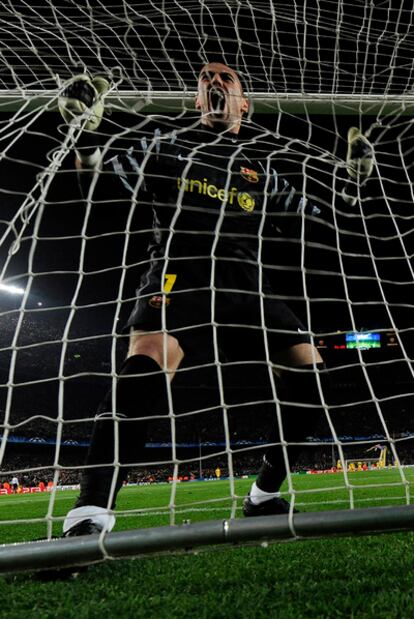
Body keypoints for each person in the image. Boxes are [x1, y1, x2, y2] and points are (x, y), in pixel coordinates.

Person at [58, 62, 374, 537]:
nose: (214, 82)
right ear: (197, 101)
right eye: (206, 78)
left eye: (226, 78)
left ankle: (263, 495)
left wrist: (354, 184)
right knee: (142, 370)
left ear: (245, 103)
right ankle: (89, 513)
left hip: (246, 285)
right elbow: (96, 183)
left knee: (312, 381)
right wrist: (84, 136)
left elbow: (323, 220)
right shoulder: (166, 147)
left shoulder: (262, 172)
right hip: (178, 275)